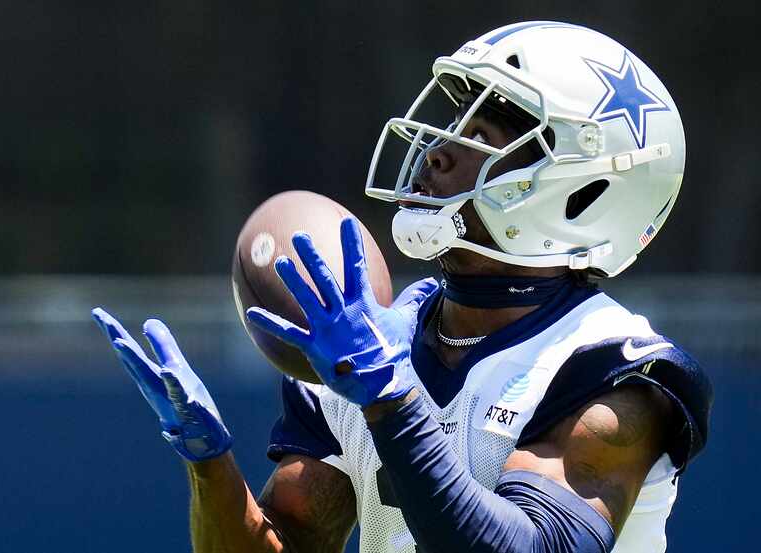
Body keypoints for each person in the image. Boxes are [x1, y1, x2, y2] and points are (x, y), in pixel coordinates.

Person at [93, 21, 712, 553]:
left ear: (581, 191)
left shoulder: (616, 374)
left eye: (485, 138)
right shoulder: (370, 333)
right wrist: (210, 465)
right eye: (453, 125)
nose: (438, 149)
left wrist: (391, 398)